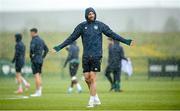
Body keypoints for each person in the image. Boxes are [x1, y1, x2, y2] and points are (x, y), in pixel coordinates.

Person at [51, 7, 134, 107]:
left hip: (96, 55)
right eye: (89, 14)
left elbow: (112, 34)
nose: (92, 15)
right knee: (86, 78)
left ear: (95, 14)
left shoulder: (100, 25)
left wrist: (126, 41)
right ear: (86, 15)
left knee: (92, 77)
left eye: (93, 13)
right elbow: (71, 38)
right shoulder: (81, 26)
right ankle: (96, 97)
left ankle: (91, 101)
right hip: (86, 56)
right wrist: (59, 47)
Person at [29, 28, 49, 97]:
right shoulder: (41, 40)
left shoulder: (34, 40)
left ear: (33, 32)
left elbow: (31, 49)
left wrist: (31, 57)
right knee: (39, 76)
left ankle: (38, 92)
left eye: (31, 33)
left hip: (35, 59)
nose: (30, 34)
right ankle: (39, 91)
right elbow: (46, 49)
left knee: (36, 75)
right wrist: (42, 57)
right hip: (40, 59)